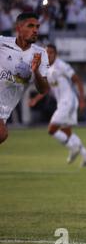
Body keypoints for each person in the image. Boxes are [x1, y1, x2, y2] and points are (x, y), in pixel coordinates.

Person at [29, 44, 86, 166]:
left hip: (68, 101)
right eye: (46, 53)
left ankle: (72, 147)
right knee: (66, 131)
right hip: (63, 103)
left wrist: (83, 100)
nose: (48, 55)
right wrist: (36, 99)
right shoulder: (46, 69)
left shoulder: (62, 65)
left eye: (51, 52)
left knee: (51, 129)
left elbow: (77, 81)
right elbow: (47, 89)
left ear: (56, 54)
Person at [0, 12, 49, 145]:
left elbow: (44, 90)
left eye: (37, 27)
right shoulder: (2, 43)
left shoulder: (41, 54)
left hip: (4, 111)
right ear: (19, 28)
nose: (35, 30)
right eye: (30, 26)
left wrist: (36, 71)